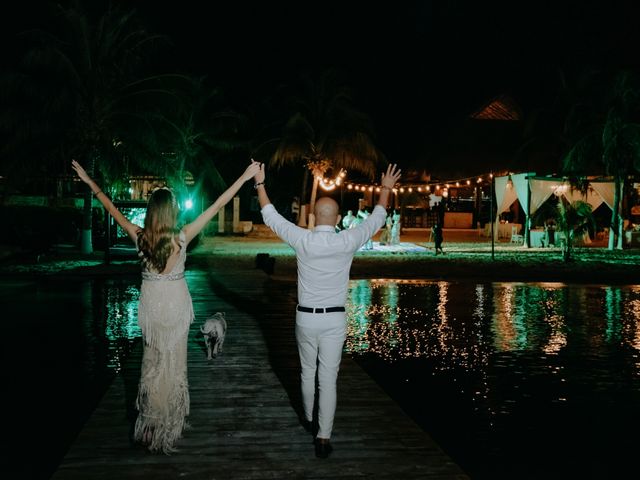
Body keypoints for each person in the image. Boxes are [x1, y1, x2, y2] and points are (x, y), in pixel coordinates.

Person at [71, 159, 261, 454]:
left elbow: (109, 206)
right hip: (175, 306)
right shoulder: (182, 237)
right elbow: (219, 203)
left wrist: (88, 180)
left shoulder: (139, 237)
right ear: (172, 212)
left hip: (151, 307)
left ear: (150, 213)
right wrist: (246, 176)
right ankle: (168, 423)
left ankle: (148, 425)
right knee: (174, 362)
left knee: (152, 361)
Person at [253, 161, 401, 458]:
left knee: (307, 373)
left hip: (305, 317)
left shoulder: (302, 239)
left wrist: (259, 183)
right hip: (334, 318)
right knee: (328, 378)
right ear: (335, 219)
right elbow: (377, 219)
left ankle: (308, 418)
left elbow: (270, 216)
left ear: (313, 216)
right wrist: (385, 189)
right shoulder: (346, 240)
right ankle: (323, 437)